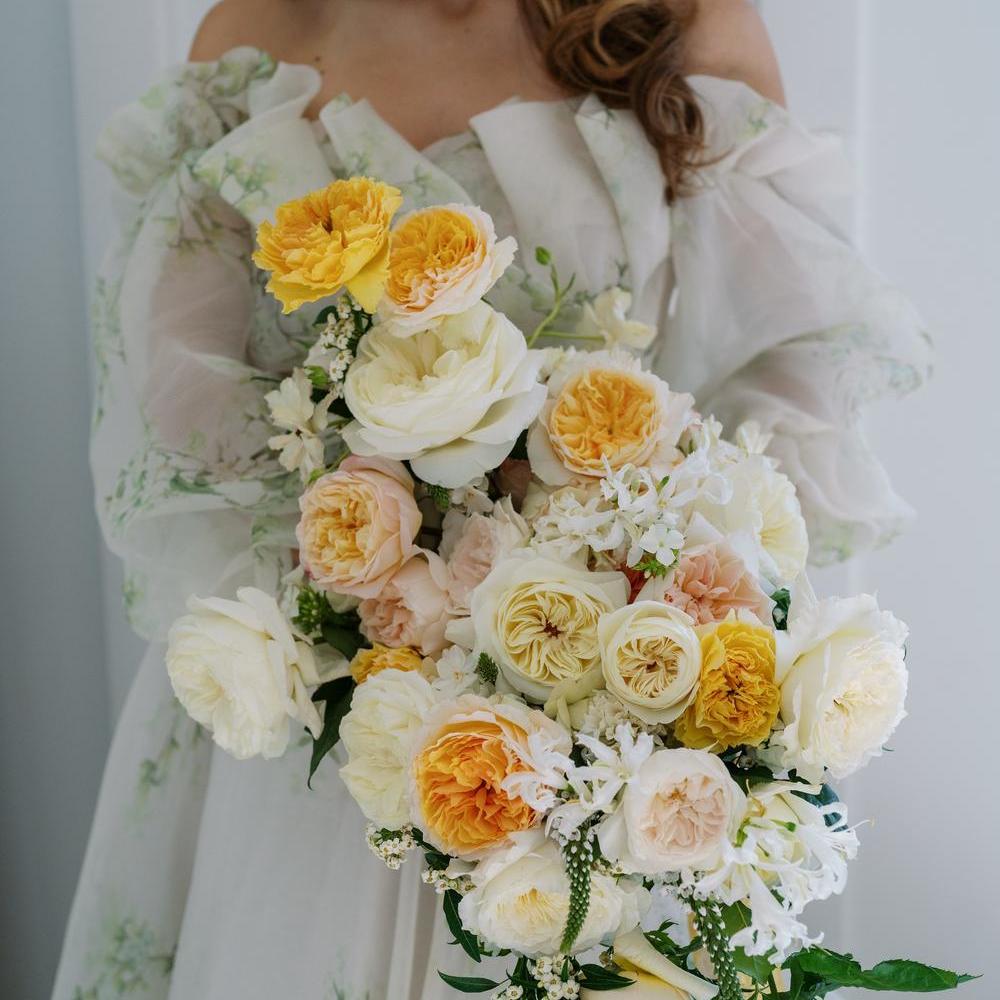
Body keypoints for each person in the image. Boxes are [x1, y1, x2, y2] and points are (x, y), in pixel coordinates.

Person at [53, 2, 929, 997]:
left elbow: (792, 351)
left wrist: (660, 552)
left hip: (609, 698)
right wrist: (372, 612)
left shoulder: (683, 21)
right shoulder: (255, 35)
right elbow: (186, 406)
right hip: (337, 705)